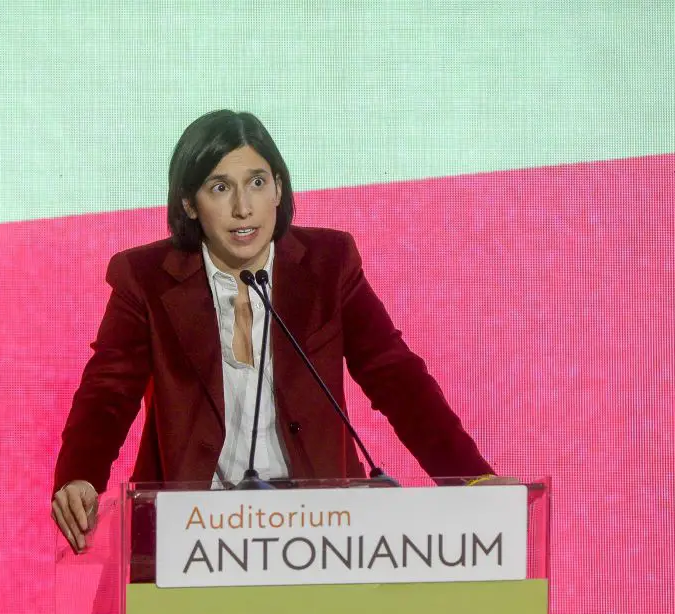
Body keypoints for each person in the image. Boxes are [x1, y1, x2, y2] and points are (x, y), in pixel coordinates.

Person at [52, 110, 494, 552]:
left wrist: (471, 478)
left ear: (278, 189)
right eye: (220, 187)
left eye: (257, 183)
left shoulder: (328, 263)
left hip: (324, 526)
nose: (243, 208)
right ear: (189, 203)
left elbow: (395, 376)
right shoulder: (145, 277)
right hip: (191, 531)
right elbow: (108, 393)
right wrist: (79, 477)